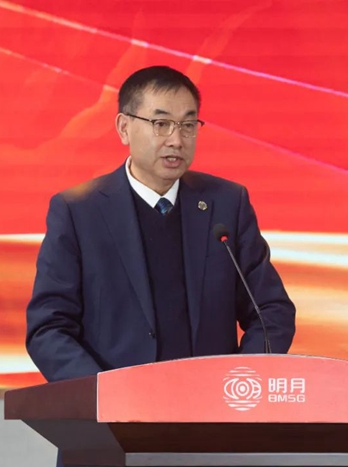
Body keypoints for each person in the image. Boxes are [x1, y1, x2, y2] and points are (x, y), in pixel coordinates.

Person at [26, 65, 296, 386]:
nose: (177, 140)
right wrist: (102, 393)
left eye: (188, 125)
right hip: (120, 406)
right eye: (161, 124)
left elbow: (271, 311)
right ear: (124, 128)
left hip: (210, 402)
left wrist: (238, 381)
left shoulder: (226, 204)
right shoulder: (78, 212)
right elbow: (48, 328)